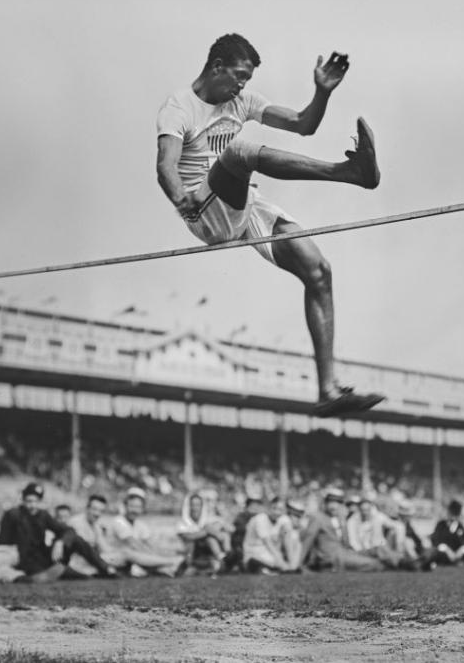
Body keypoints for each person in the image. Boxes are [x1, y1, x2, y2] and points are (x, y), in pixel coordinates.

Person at [155, 33, 384, 418]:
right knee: (240, 152)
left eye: (246, 80)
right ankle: (347, 172)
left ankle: (327, 390)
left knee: (318, 271)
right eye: (238, 77)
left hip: (242, 203)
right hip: (204, 210)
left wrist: (322, 92)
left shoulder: (240, 101)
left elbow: (302, 124)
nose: (242, 86)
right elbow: (165, 165)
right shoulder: (178, 108)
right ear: (216, 67)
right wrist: (181, 199)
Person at [0, 482, 114, 581]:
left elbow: (67, 530)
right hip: (21, 558)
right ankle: (40, 576)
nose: (32, 505)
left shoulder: (43, 515)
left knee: (75, 539)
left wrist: (60, 542)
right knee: (70, 574)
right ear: (23, 500)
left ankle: (106, 569)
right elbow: (2, 543)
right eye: (29, 501)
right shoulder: (13, 515)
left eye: (36, 501)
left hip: (43, 557)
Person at [298, 488, 383, 571]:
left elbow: (345, 542)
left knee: (379, 550)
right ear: (325, 503)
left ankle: (395, 561)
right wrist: (299, 563)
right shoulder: (318, 518)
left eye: (337, 502)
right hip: (332, 558)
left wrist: (342, 523)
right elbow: (308, 540)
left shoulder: (339, 518)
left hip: (345, 553)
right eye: (331, 502)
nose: (333, 505)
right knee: (374, 564)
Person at [107, 487, 184, 577]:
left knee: (145, 558)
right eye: (131, 506)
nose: (134, 510)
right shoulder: (118, 521)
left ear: (142, 508)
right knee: (130, 552)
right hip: (113, 558)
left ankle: (168, 569)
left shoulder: (140, 525)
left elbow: (150, 545)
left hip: (134, 561)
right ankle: (173, 562)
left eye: (138, 507)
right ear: (125, 506)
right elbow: (134, 545)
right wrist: (162, 559)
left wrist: (158, 556)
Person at [177, 491, 230, 576]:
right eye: (192, 505)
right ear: (188, 506)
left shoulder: (206, 519)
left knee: (213, 538)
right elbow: (189, 537)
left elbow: (221, 527)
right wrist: (207, 531)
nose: (195, 508)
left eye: (198, 505)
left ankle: (224, 558)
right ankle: (222, 559)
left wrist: (208, 531)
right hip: (191, 554)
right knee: (209, 538)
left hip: (207, 552)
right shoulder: (182, 523)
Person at [66, 494, 120, 577]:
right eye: (94, 509)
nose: (97, 513)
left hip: (94, 559)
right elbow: (85, 551)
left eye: (101, 511)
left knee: (121, 555)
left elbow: (104, 547)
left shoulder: (96, 525)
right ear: (87, 508)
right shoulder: (76, 522)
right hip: (77, 561)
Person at [346, 498, 402, 568]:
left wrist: (399, 545)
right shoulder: (352, 521)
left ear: (371, 508)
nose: (365, 512)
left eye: (367, 509)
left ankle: (398, 561)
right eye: (363, 510)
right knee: (381, 550)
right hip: (363, 551)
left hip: (380, 548)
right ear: (359, 510)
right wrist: (360, 551)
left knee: (382, 548)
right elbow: (353, 541)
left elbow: (398, 526)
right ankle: (400, 563)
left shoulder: (378, 516)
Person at [243, 497, 294, 573]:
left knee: (295, 537)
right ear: (269, 508)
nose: (276, 512)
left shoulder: (284, 519)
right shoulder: (260, 519)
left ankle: (291, 566)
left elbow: (287, 536)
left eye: (280, 509)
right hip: (255, 552)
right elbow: (268, 543)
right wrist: (282, 563)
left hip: (271, 553)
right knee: (272, 562)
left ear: (284, 510)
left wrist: (284, 532)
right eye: (274, 508)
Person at [429, 499, 464, 567]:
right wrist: (447, 550)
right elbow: (436, 539)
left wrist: (461, 550)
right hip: (445, 552)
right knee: (438, 552)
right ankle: (454, 562)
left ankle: (458, 561)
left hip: (457, 552)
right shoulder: (441, 525)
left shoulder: (459, 526)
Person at [226, 495, 263, 571]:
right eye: (254, 505)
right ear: (248, 506)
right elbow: (241, 530)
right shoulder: (242, 516)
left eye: (257, 505)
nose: (256, 507)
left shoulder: (259, 517)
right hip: (241, 547)